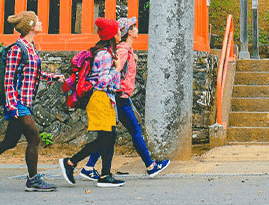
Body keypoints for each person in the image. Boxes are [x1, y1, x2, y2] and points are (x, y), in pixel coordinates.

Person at [79, 17, 170, 180]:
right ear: (129, 31)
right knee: (133, 131)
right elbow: (114, 73)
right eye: (134, 26)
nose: (137, 28)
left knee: (107, 135)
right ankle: (150, 166)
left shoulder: (127, 50)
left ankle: (89, 166)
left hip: (121, 96)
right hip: (119, 97)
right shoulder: (122, 50)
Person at [0, 11, 64, 192]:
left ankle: (33, 180)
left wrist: (53, 77)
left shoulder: (31, 47)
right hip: (18, 103)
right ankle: (33, 180)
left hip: (25, 102)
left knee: (10, 142)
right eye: (37, 21)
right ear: (29, 25)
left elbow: (33, 74)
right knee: (34, 137)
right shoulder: (16, 49)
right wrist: (13, 107)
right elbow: (8, 79)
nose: (41, 22)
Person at [59, 18, 125, 188]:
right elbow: (102, 81)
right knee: (107, 137)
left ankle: (105, 175)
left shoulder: (107, 53)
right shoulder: (104, 55)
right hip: (100, 97)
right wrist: (117, 70)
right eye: (118, 31)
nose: (120, 34)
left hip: (105, 98)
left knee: (109, 137)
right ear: (112, 35)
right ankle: (72, 162)